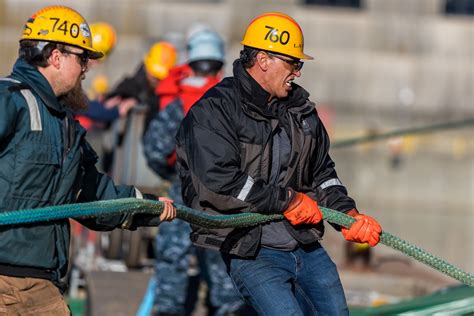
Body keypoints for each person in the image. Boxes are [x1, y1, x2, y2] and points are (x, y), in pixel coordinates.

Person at [175, 12, 382, 315]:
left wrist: (346, 214)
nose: (297, 72)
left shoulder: (301, 111)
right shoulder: (215, 110)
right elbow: (217, 182)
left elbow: (323, 173)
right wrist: (287, 201)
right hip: (250, 251)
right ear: (263, 60)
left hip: (305, 246)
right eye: (293, 63)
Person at [0, 6, 176, 315]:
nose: (86, 69)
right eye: (82, 58)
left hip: (40, 284)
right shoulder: (8, 100)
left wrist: (145, 207)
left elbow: (91, 194)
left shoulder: (65, 125)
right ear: (56, 56)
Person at [144, 29, 246, 316]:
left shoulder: (178, 101)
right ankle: (228, 309)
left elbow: (154, 148)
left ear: (190, 61)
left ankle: (167, 308)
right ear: (219, 64)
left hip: (182, 190)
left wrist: (171, 172)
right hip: (225, 199)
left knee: (173, 257)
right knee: (223, 261)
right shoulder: (233, 101)